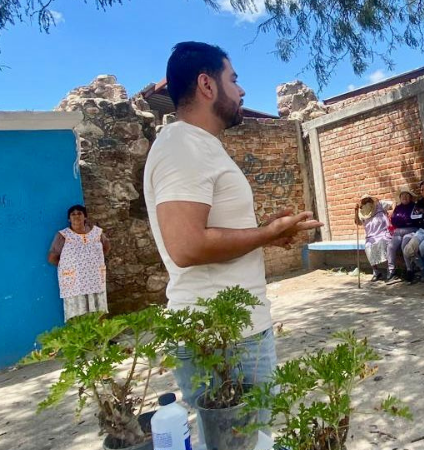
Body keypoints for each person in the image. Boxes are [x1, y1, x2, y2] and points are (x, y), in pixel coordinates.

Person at [143, 42, 323, 443]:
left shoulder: (198, 146)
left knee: (246, 440)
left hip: (233, 332)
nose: (241, 91)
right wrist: (265, 234)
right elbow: (186, 245)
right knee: (243, 442)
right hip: (225, 336)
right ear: (207, 84)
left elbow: (211, 231)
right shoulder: (182, 145)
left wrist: (267, 232)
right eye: (234, 79)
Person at [47, 204, 110, 321]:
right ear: (68, 219)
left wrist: (93, 262)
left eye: (79, 213)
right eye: (73, 214)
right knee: (78, 312)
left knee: (98, 308)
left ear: (85, 217)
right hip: (75, 282)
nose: (76, 216)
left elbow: (106, 247)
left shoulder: (97, 233)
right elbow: (52, 257)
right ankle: (83, 338)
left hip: (95, 278)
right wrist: (70, 266)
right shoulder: (63, 235)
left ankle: (102, 337)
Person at [354, 194, 393, 282]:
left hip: (384, 233)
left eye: (368, 200)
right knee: (368, 247)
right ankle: (376, 271)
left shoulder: (380, 205)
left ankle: (390, 270)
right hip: (371, 236)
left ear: (371, 200)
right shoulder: (362, 212)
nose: (366, 202)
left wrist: (391, 217)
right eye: (364, 201)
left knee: (384, 244)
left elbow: (393, 205)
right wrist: (356, 211)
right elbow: (358, 222)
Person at [386, 187, 420, 282]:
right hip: (398, 232)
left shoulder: (414, 206)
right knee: (390, 246)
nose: (404, 197)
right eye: (402, 195)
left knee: (404, 244)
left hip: (411, 230)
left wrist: (401, 220)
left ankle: (410, 269)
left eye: (407, 195)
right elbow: (393, 221)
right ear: (400, 197)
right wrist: (401, 220)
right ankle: (391, 270)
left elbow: (412, 220)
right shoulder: (398, 207)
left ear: (410, 197)